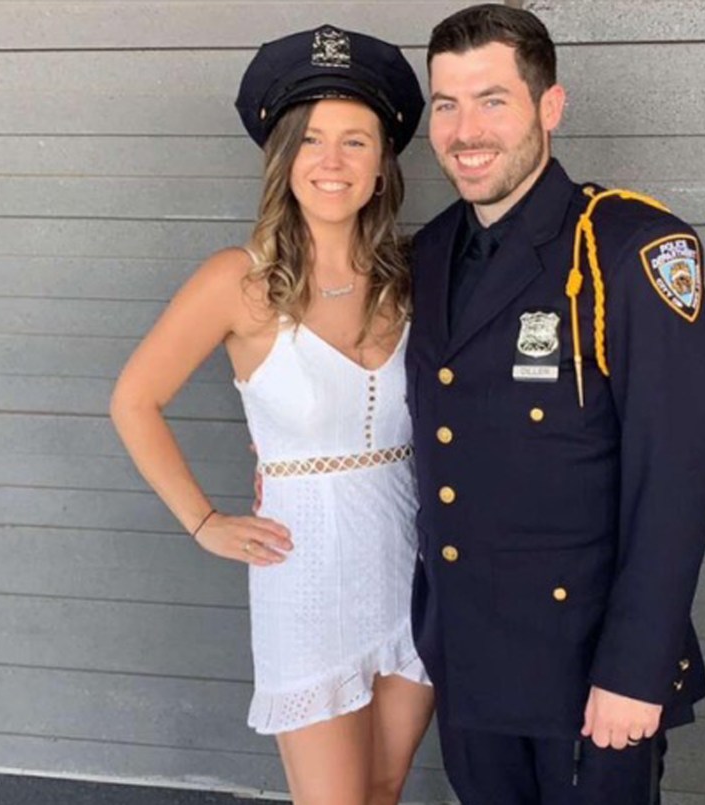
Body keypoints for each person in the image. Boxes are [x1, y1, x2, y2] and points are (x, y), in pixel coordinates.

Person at [406, 5, 705, 803]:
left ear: (550, 107)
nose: (464, 129)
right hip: (471, 659)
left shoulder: (629, 247)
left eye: (492, 100)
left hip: (587, 674)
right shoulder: (432, 250)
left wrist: (635, 668)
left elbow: (676, 478)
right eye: (446, 104)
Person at [109, 25, 434, 805]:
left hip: (413, 564)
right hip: (306, 572)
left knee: (385, 786)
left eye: (354, 140)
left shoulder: (417, 276)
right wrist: (203, 521)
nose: (331, 162)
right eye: (311, 139)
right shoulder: (238, 280)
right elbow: (134, 399)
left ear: (382, 163)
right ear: (282, 155)